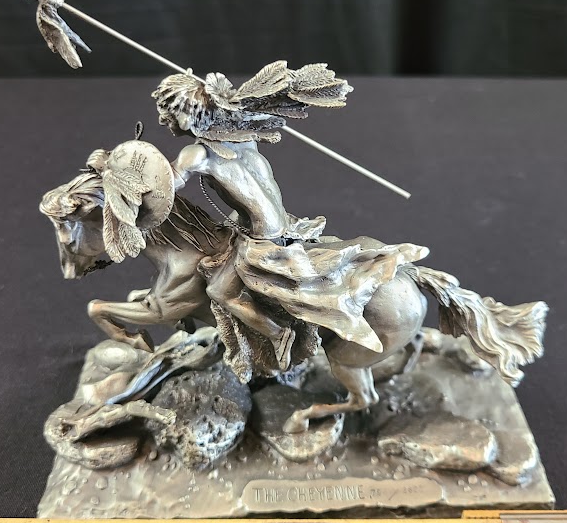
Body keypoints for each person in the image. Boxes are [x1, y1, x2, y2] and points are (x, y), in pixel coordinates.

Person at [152, 63, 424, 382]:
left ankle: (278, 333)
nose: (166, 120)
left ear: (188, 114)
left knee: (220, 291)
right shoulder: (241, 135)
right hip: (281, 224)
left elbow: (165, 187)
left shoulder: (196, 154)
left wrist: (128, 179)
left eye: (170, 112)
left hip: (259, 237)